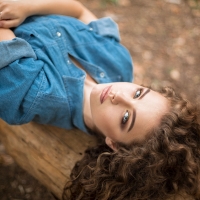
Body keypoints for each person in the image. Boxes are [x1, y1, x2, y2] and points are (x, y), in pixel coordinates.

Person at [0, 1, 199, 199]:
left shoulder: (36, 95)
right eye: (138, 94)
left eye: (126, 117)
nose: (118, 95)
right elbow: (79, 11)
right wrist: (28, 6)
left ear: (114, 144)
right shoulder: (119, 63)